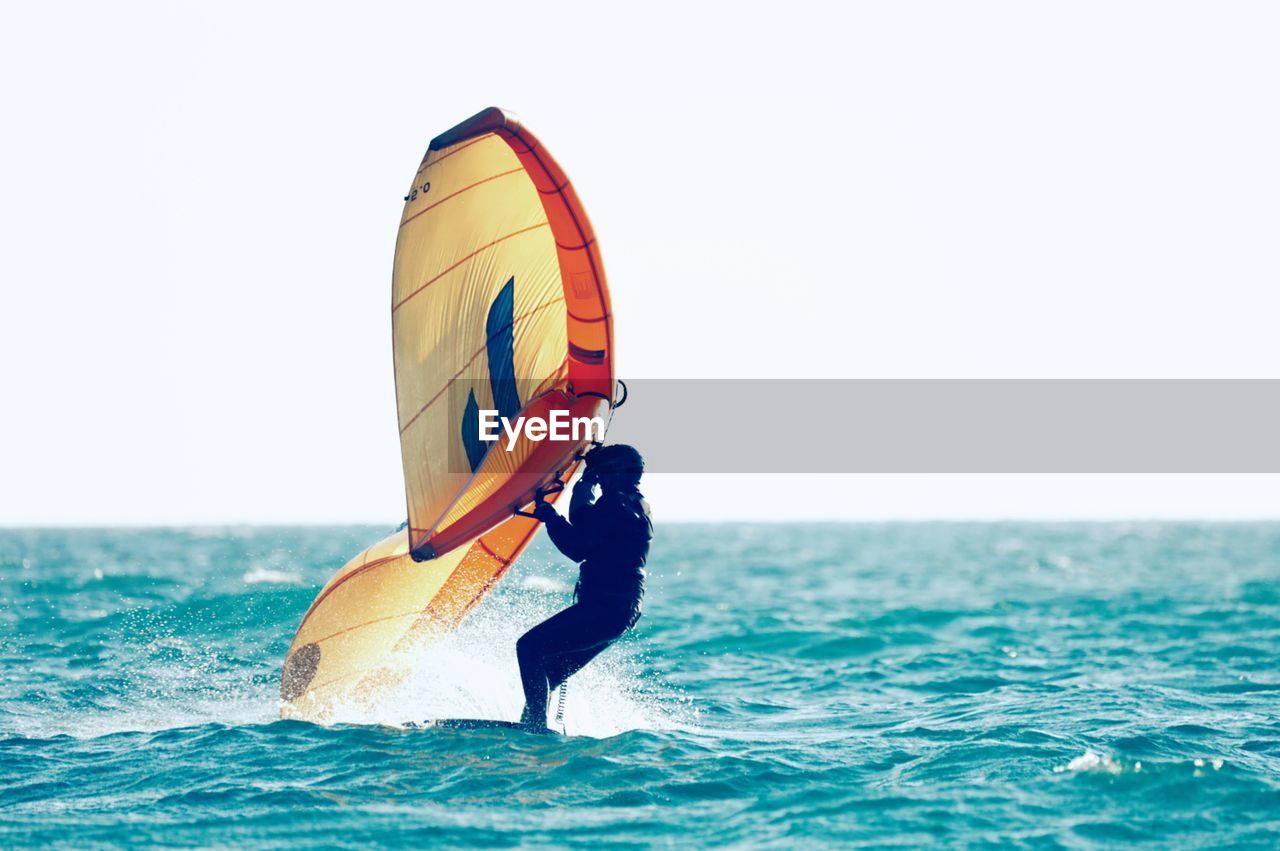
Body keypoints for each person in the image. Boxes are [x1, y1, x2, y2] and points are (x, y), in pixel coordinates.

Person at [517, 444, 652, 730]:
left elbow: (577, 545)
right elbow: (586, 524)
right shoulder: (636, 503)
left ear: (613, 475)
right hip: (621, 611)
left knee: (529, 647)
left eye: (601, 474)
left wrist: (551, 516)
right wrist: (587, 481)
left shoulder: (615, 504)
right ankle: (535, 724)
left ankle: (535, 727)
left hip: (606, 608)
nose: (598, 479)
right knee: (551, 669)